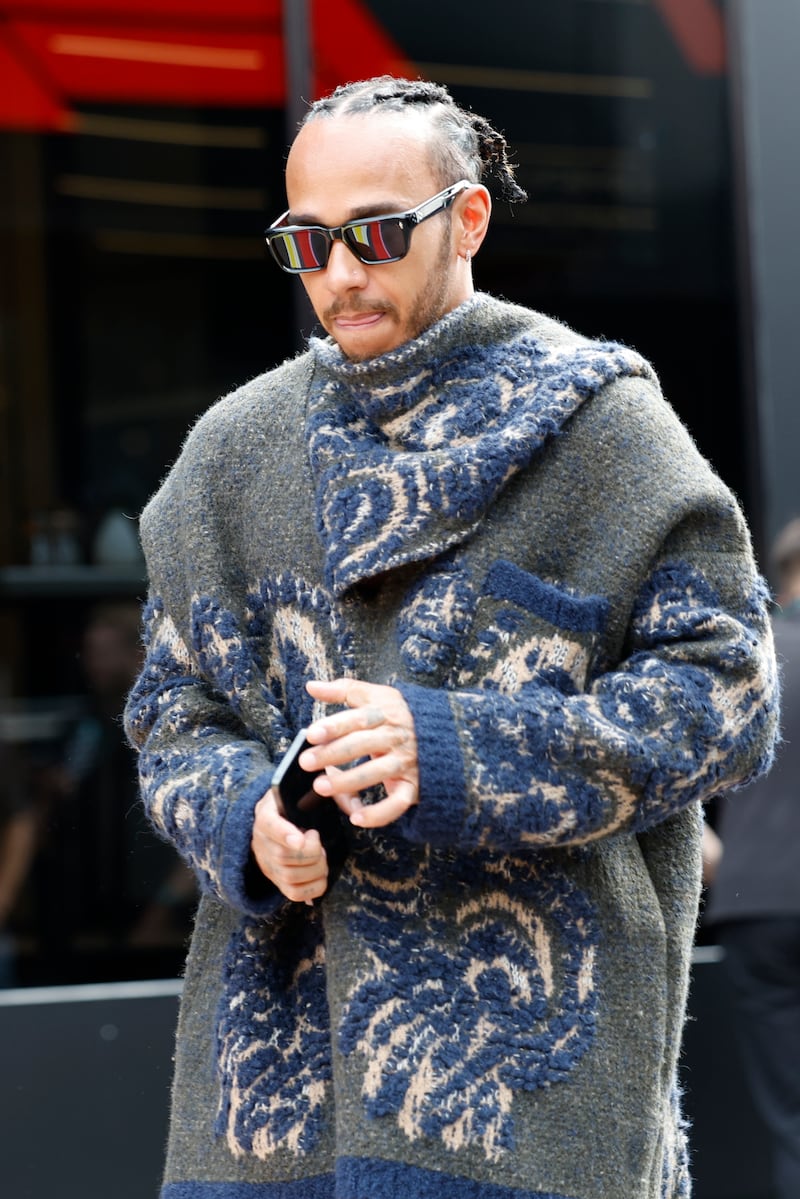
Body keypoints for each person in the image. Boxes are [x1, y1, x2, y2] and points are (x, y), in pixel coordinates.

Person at [124, 76, 779, 1199]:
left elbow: (727, 698)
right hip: (270, 1100)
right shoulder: (226, 457)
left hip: (539, 1107)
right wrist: (249, 815)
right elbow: (170, 716)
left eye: (375, 234)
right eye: (305, 243)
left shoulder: (602, 431)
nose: (337, 273)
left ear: (466, 219)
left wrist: (459, 751)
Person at [704, 518, 800, 1199]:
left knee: (793, 1118)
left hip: (756, 907)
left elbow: (678, 788)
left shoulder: (750, 657)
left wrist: (724, 861)